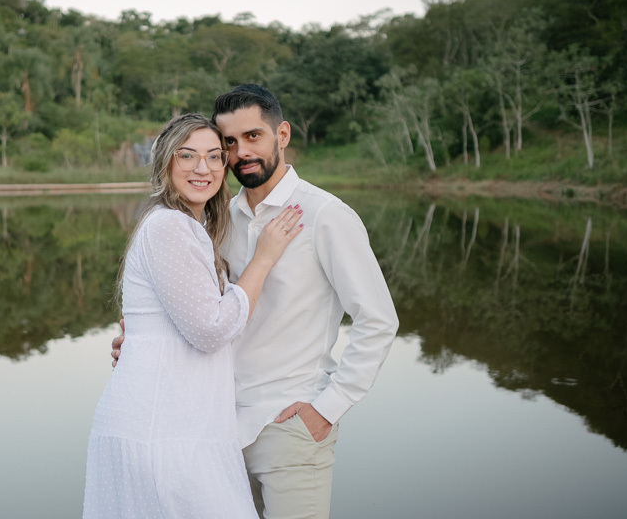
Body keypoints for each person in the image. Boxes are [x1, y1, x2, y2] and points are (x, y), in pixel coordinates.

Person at [113, 85, 400, 519]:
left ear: (281, 135)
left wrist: (328, 407)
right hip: (216, 427)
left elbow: (378, 320)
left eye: (253, 136)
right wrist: (143, 344)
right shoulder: (219, 218)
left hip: (288, 425)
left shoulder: (325, 215)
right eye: (229, 142)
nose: (241, 151)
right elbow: (207, 317)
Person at [83, 113, 304, 519]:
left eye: (214, 156)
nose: (202, 168)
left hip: (178, 424)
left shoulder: (188, 226)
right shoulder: (169, 226)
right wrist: (264, 259)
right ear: (166, 163)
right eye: (188, 156)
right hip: (162, 429)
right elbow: (211, 329)